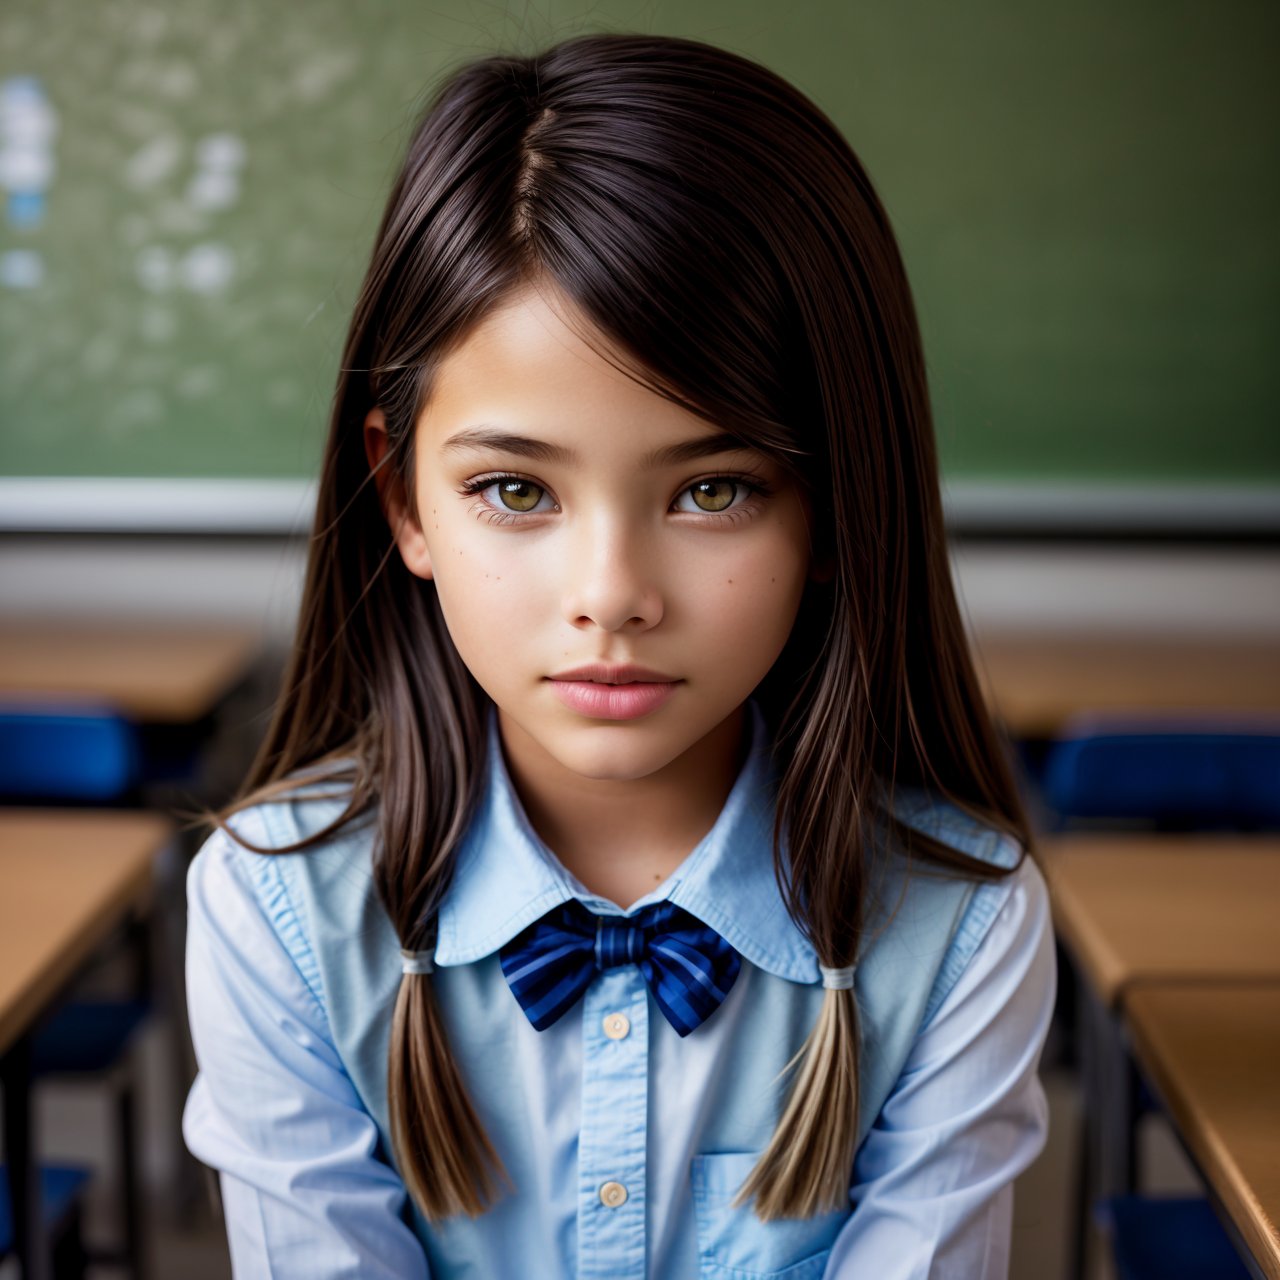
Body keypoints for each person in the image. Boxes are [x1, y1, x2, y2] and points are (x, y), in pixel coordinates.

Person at [182, 31, 1056, 1279]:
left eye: (711, 489)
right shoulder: (276, 909)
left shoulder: (959, 925)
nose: (611, 597)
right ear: (402, 499)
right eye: (513, 489)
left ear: (833, 507)